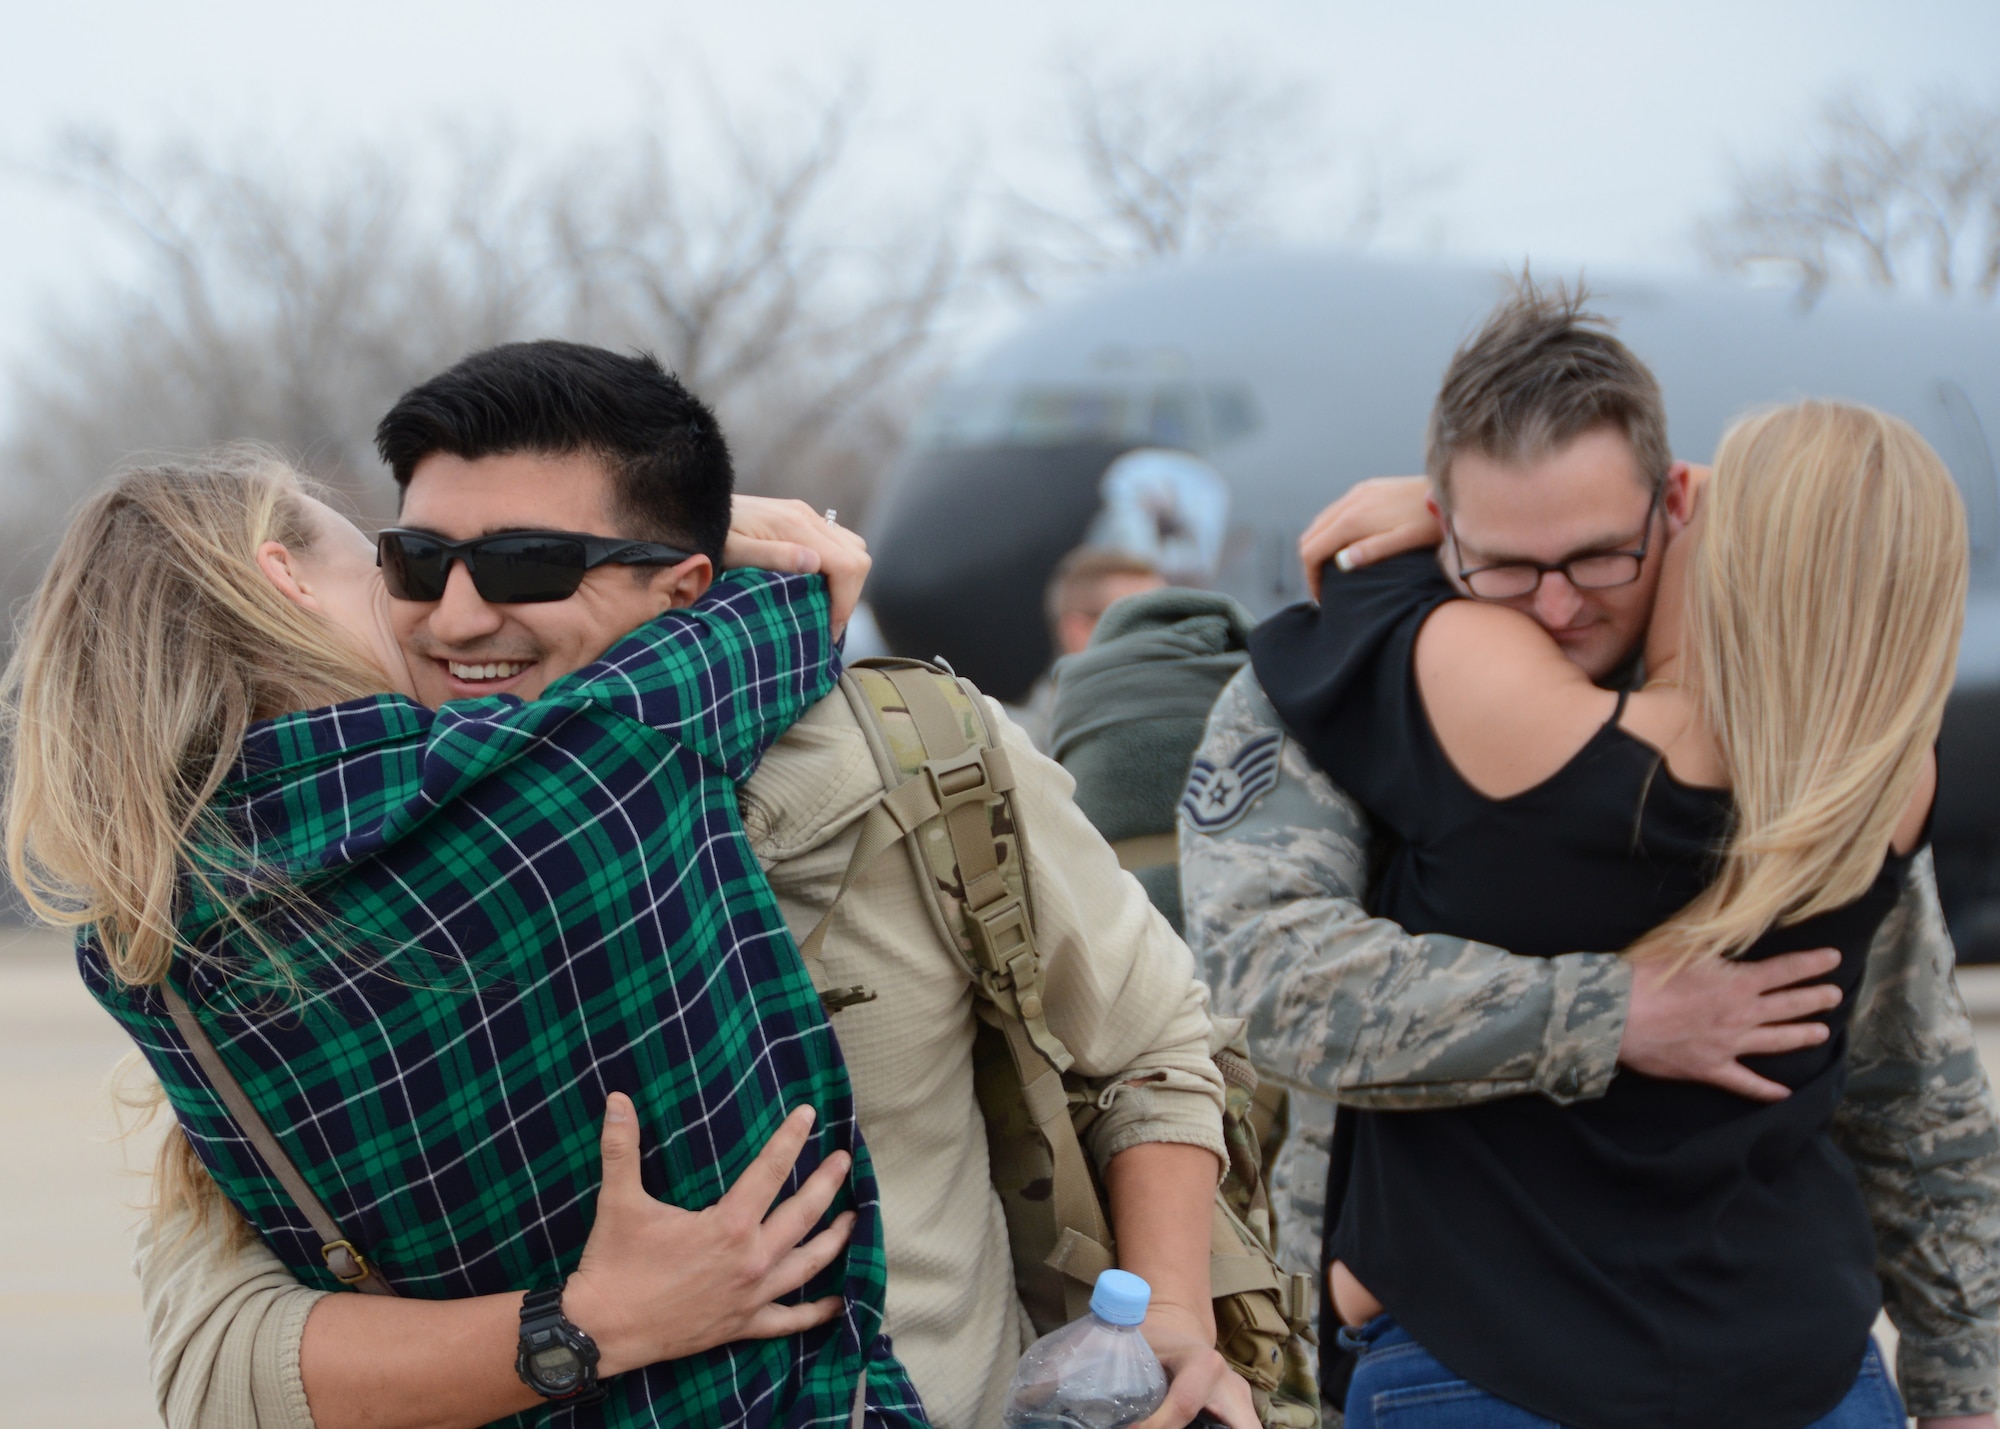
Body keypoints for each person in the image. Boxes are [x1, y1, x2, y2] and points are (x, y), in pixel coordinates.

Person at [41, 342, 1249, 1429]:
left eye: (525, 563)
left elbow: (1146, 1045)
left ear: (679, 583)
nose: (457, 612)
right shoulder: (271, 935)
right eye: (412, 559)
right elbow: (217, 1365)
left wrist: (1168, 1324)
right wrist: (584, 1325)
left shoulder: (913, 754)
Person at [1180, 284, 2000, 1427]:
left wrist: (1962, 1366)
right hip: (1474, 1345)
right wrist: (1615, 1012)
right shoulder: (1340, 698)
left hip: (1780, 1353)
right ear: (1442, 523)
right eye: (1506, 564)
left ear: (1673, 504)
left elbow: (1903, 1066)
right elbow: (1268, 983)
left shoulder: (1806, 733)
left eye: (1597, 556)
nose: (1557, 606)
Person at [5, 440, 924, 1428]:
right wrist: (641, 540)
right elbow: (802, 590)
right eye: (393, 570)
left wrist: (580, 1323)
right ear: (285, 578)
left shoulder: (145, 952)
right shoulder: (577, 763)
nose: (435, 608)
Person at [1009, 547, 1168, 750]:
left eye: (1171, 619)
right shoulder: (1021, 748)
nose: (1166, 638)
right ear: (1078, 632)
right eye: (1142, 622)